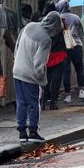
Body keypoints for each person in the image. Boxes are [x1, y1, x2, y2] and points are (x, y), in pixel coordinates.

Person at [12, 11, 63, 143]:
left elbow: (17, 46)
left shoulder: (29, 26)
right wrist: (42, 79)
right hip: (30, 76)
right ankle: (33, 131)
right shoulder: (46, 39)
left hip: (17, 71)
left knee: (21, 103)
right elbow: (39, 63)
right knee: (33, 104)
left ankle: (22, 132)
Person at [56, 0, 84, 101]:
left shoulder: (59, 18)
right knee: (79, 68)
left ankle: (68, 95)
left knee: (66, 70)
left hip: (65, 46)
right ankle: (81, 91)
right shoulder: (76, 17)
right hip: (77, 45)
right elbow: (81, 32)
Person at [43, 17, 67, 110]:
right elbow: (66, 40)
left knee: (45, 80)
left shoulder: (44, 27)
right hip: (59, 56)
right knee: (56, 81)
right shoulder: (61, 26)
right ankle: (53, 102)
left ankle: (43, 102)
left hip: (47, 56)